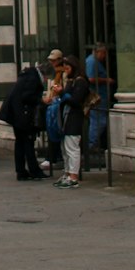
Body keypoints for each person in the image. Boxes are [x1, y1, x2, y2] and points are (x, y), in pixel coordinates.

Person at [0, 64, 46, 182]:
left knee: (20, 143)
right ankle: (34, 170)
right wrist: (41, 100)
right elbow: (27, 96)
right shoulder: (33, 78)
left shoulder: (26, 75)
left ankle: (21, 171)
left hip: (15, 114)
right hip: (22, 115)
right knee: (28, 142)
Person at [54, 56, 91, 188]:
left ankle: (73, 176)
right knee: (65, 147)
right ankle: (68, 173)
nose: (66, 71)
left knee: (72, 147)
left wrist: (62, 93)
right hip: (67, 117)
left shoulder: (80, 82)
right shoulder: (71, 81)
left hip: (74, 117)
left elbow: (76, 101)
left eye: (68, 68)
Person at [85, 43, 114, 165]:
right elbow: (91, 78)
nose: (105, 56)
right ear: (98, 52)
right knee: (99, 121)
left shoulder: (92, 61)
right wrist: (107, 80)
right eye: (104, 53)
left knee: (98, 121)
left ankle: (93, 145)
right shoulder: (92, 62)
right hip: (98, 98)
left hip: (100, 97)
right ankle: (91, 145)